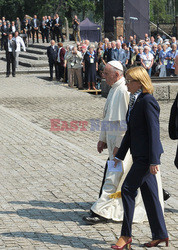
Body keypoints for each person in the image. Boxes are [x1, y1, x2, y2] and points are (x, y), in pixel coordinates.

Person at [83, 61, 148, 224]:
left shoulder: (122, 91)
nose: (103, 76)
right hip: (113, 143)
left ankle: (101, 211)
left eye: (106, 73)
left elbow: (122, 124)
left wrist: (119, 147)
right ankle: (156, 193)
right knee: (119, 176)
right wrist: (102, 139)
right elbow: (107, 117)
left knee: (113, 177)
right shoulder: (114, 89)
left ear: (117, 74)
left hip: (121, 146)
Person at [112, 66, 168, 249]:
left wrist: (154, 161)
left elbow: (154, 132)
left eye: (130, 81)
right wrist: (119, 155)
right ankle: (160, 234)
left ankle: (126, 235)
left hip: (146, 158)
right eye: (126, 80)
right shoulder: (136, 100)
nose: (127, 84)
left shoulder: (148, 101)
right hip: (139, 155)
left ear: (140, 82)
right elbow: (131, 132)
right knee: (151, 196)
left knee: (127, 189)